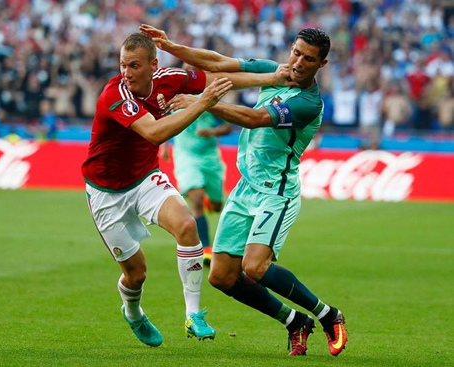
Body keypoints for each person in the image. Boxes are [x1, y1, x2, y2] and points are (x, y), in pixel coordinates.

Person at [141, 24, 348, 357]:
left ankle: (328, 315)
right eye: (296, 53)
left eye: (308, 59)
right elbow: (218, 62)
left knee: (255, 266)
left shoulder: (309, 103)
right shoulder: (273, 71)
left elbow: (253, 118)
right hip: (245, 187)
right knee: (221, 276)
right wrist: (171, 46)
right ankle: (294, 322)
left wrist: (203, 102)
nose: (297, 63)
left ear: (320, 65)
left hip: (276, 191)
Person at [81, 33, 293, 348]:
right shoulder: (115, 94)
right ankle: (133, 311)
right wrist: (203, 103)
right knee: (136, 274)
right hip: (106, 191)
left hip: (144, 179)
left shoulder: (171, 78)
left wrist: (271, 77)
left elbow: (220, 78)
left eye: (134, 65)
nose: (126, 72)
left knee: (186, 224)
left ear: (153, 66)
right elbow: (153, 133)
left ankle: (193, 315)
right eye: (123, 65)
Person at [162, 102, 232, 266]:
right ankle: (206, 248)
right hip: (186, 155)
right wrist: (164, 146)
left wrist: (212, 131)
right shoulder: (175, 99)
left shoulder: (209, 96)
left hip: (210, 157)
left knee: (216, 206)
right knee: (196, 201)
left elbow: (227, 127)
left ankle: (210, 201)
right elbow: (164, 123)